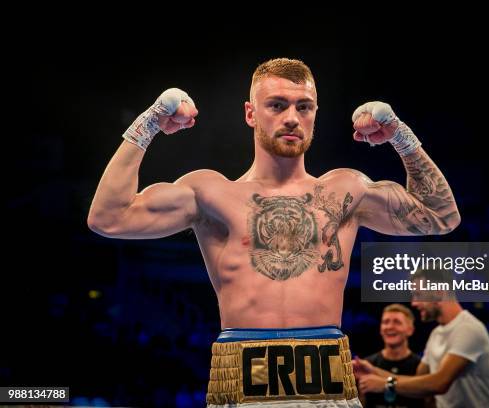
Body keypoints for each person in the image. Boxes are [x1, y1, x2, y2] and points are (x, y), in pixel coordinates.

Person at [87, 58, 460, 407]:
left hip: (327, 373)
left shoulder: (346, 191)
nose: (292, 118)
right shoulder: (211, 194)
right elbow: (109, 217)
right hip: (242, 373)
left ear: (316, 114)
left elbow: (441, 217)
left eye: (304, 107)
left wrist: (399, 134)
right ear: (251, 113)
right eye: (277, 105)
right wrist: (149, 122)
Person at [354, 269, 489, 407]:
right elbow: (418, 381)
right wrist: (373, 371)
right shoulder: (436, 334)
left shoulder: (468, 329)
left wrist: (386, 384)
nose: (414, 303)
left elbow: (439, 383)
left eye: (418, 295)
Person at [362, 304, 425, 408]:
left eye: (397, 322)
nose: (390, 327)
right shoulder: (367, 364)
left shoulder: (421, 366)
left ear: (410, 330)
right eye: (385, 322)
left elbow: (429, 402)